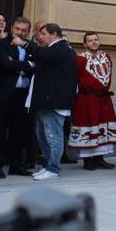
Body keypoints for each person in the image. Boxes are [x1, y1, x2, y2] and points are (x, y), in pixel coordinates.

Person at [24, 23, 78, 181]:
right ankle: (48, 165)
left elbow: (44, 55)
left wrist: (26, 44)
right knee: (42, 135)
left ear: (54, 34)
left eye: (43, 33)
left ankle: (53, 168)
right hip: (45, 101)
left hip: (54, 101)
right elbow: (41, 58)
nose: (41, 37)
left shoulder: (61, 48)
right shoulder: (54, 49)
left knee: (53, 136)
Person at [0, 16, 34, 178]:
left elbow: (36, 67)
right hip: (4, 95)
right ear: (12, 28)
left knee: (19, 133)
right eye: (17, 29)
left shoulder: (30, 47)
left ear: (28, 32)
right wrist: (27, 65)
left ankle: (16, 166)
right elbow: (5, 64)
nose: (20, 33)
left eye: (24, 30)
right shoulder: (2, 43)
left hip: (22, 95)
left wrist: (22, 66)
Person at [68, 33, 116, 170]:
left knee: (102, 127)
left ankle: (99, 158)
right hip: (87, 99)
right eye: (90, 41)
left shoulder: (106, 56)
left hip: (104, 98)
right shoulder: (80, 59)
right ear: (85, 44)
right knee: (89, 126)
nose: (94, 42)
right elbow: (75, 78)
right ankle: (88, 160)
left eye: (96, 40)